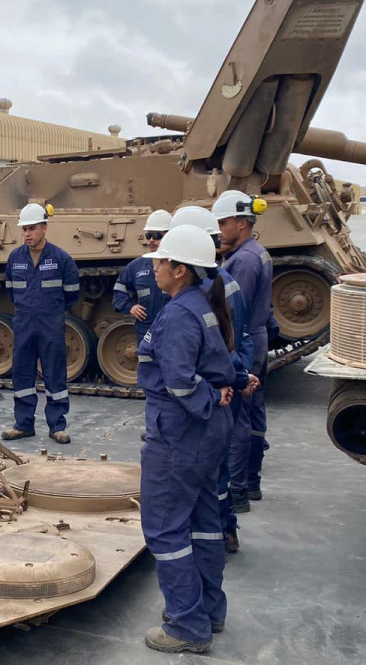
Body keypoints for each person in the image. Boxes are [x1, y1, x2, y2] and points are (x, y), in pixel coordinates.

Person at [136, 224, 236, 654]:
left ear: (180, 270)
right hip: (207, 433)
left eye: (161, 261)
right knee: (203, 523)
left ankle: (186, 625)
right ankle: (209, 611)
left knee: (164, 528)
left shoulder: (178, 313)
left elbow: (179, 382)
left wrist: (209, 397)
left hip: (180, 433)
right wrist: (219, 393)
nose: (155, 266)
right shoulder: (201, 304)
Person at [170, 206, 260, 553]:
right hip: (225, 385)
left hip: (209, 392)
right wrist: (242, 375)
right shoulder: (226, 282)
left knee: (207, 470)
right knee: (218, 463)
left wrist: (231, 381)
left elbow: (211, 348)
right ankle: (226, 529)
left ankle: (214, 532)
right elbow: (244, 337)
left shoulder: (204, 290)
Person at [214, 190, 274, 513]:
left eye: (223, 223)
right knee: (253, 414)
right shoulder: (254, 253)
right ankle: (251, 481)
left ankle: (238, 488)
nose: (220, 230)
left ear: (242, 222)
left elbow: (233, 312)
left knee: (238, 417)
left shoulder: (244, 261)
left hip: (246, 340)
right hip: (258, 337)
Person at [2, 203, 79, 444]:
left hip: (51, 324)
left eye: (32, 228)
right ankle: (23, 424)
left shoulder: (61, 258)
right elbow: (10, 291)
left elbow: (72, 294)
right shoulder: (15, 258)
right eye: (24, 229)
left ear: (44, 228)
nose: (27, 234)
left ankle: (57, 426)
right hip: (24, 323)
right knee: (22, 374)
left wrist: (50, 311)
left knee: (55, 374)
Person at [113, 209, 171, 341]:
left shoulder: (180, 265)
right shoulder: (136, 266)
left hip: (172, 329)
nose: (151, 240)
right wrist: (130, 307)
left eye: (156, 236)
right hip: (146, 331)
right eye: (148, 235)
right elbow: (119, 291)